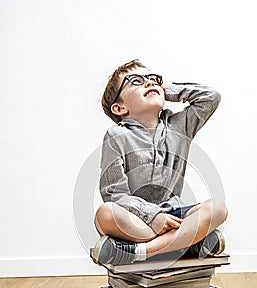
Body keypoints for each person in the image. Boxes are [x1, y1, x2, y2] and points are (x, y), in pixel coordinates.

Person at [92, 59, 228, 266]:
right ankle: (187, 244)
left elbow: (211, 98)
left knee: (218, 209)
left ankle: (141, 252)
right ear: (119, 108)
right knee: (105, 213)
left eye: (153, 79)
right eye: (135, 81)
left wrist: (166, 90)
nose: (148, 83)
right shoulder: (117, 135)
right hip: (138, 220)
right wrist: (153, 216)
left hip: (175, 216)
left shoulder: (179, 127)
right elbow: (113, 194)